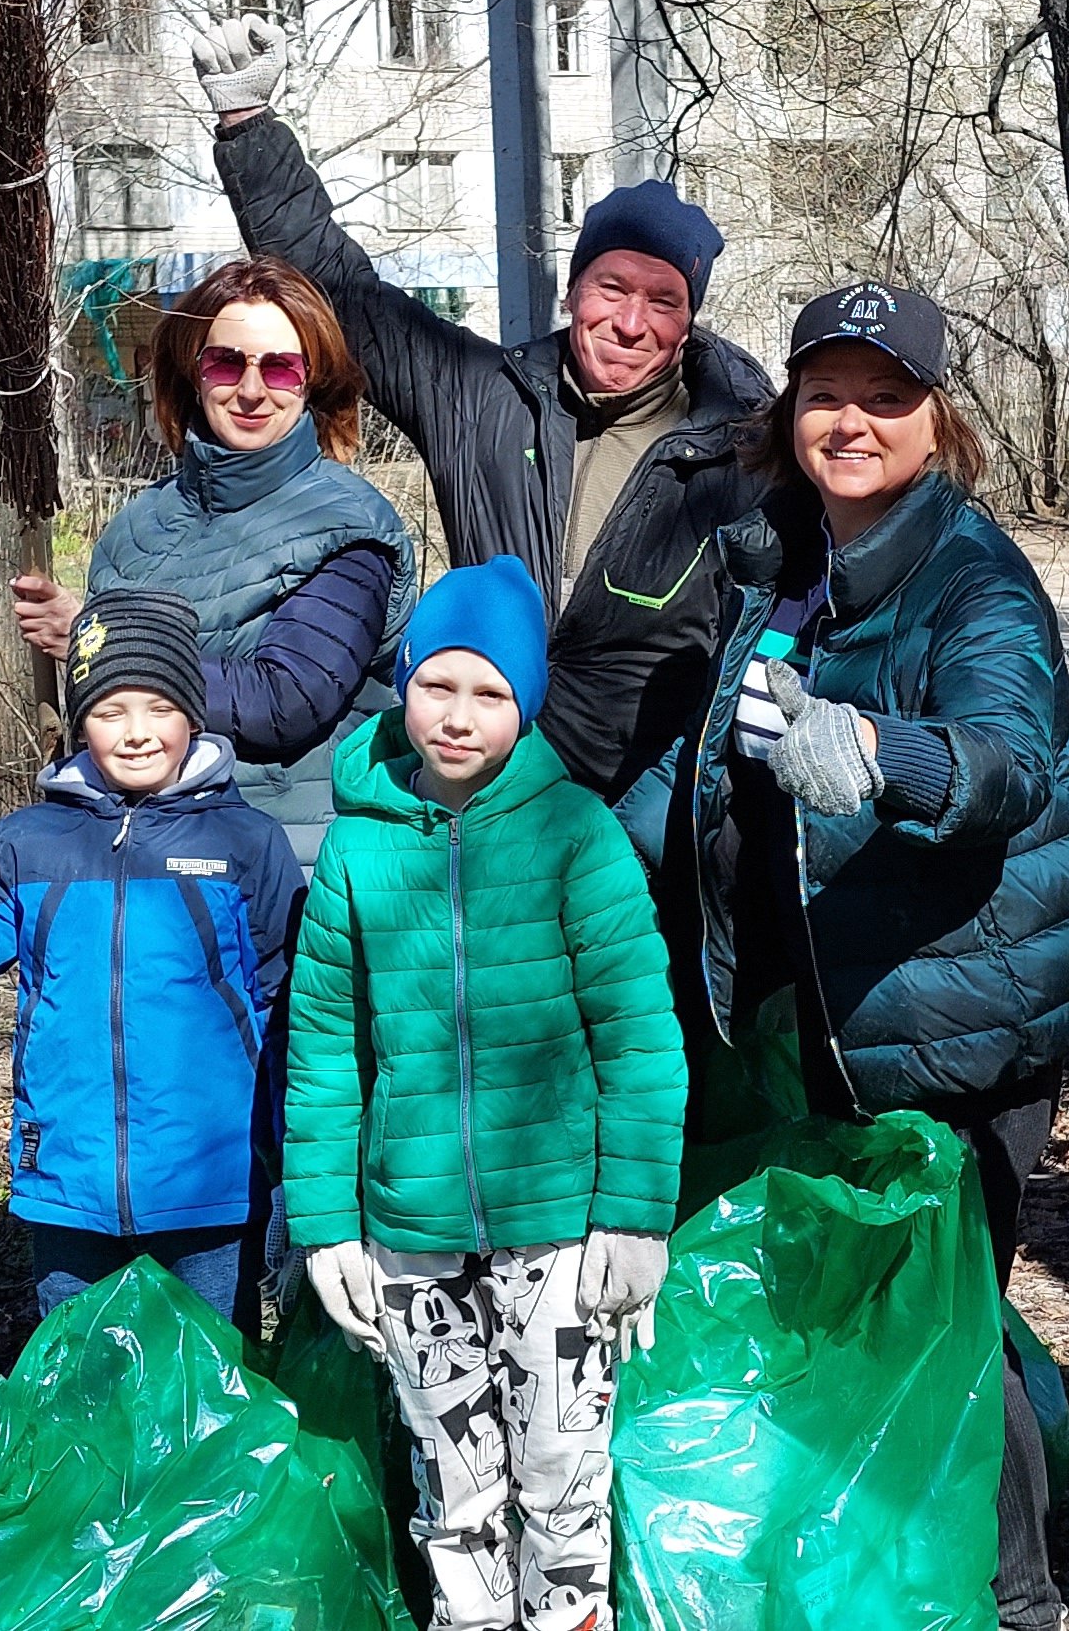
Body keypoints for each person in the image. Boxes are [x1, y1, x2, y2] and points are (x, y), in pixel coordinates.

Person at [644, 282, 1069, 1631]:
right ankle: (875, 1562)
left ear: (936, 419)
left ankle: (1017, 1601)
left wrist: (879, 756)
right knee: (861, 1312)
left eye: (885, 398)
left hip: (951, 1015)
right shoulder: (782, 561)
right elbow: (718, 754)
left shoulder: (973, 578)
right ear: (789, 413)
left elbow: (1008, 762)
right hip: (827, 1008)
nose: (852, 423)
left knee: (950, 1322)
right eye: (827, 396)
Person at [190, 15, 774, 796]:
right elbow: (347, 292)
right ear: (573, 291)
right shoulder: (481, 397)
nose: (631, 322)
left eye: (662, 300)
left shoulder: (745, 448)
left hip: (649, 809)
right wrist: (249, 126)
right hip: (489, 789)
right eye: (611, 288)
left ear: (688, 319)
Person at [285, 555, 690, 1631]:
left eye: (491, 693)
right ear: (402, 680)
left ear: (528, 702)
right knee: (452, 1475)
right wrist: (326, 1223)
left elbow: (639, 1038)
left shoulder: (576, 837)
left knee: (561, 1469)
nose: (459, 717)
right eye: (437, 684)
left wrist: (635, 1212)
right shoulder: (356, 849)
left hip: (556, 1221)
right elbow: (324, 1043)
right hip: (408, 1221)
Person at [0, 590, 307, 1326]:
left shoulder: (246, 843)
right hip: (67, 1182)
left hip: (210, 1182)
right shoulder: (32, 843)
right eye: (109, 710)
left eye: (159, 708)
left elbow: (286, 1011)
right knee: (79, 1396)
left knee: (209, 1396)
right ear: (79, 718)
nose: (137, 733)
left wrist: (292, 1169)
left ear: (193, 712)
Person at [9, 260, 413, 859]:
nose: (251, 390)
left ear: (312, 383)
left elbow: (289, 699)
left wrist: (102, 641)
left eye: (280, 368)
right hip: (145, 863)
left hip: (287, 866)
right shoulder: (135, 527)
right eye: (227, 362)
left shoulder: (348, 525)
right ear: (192, 374)